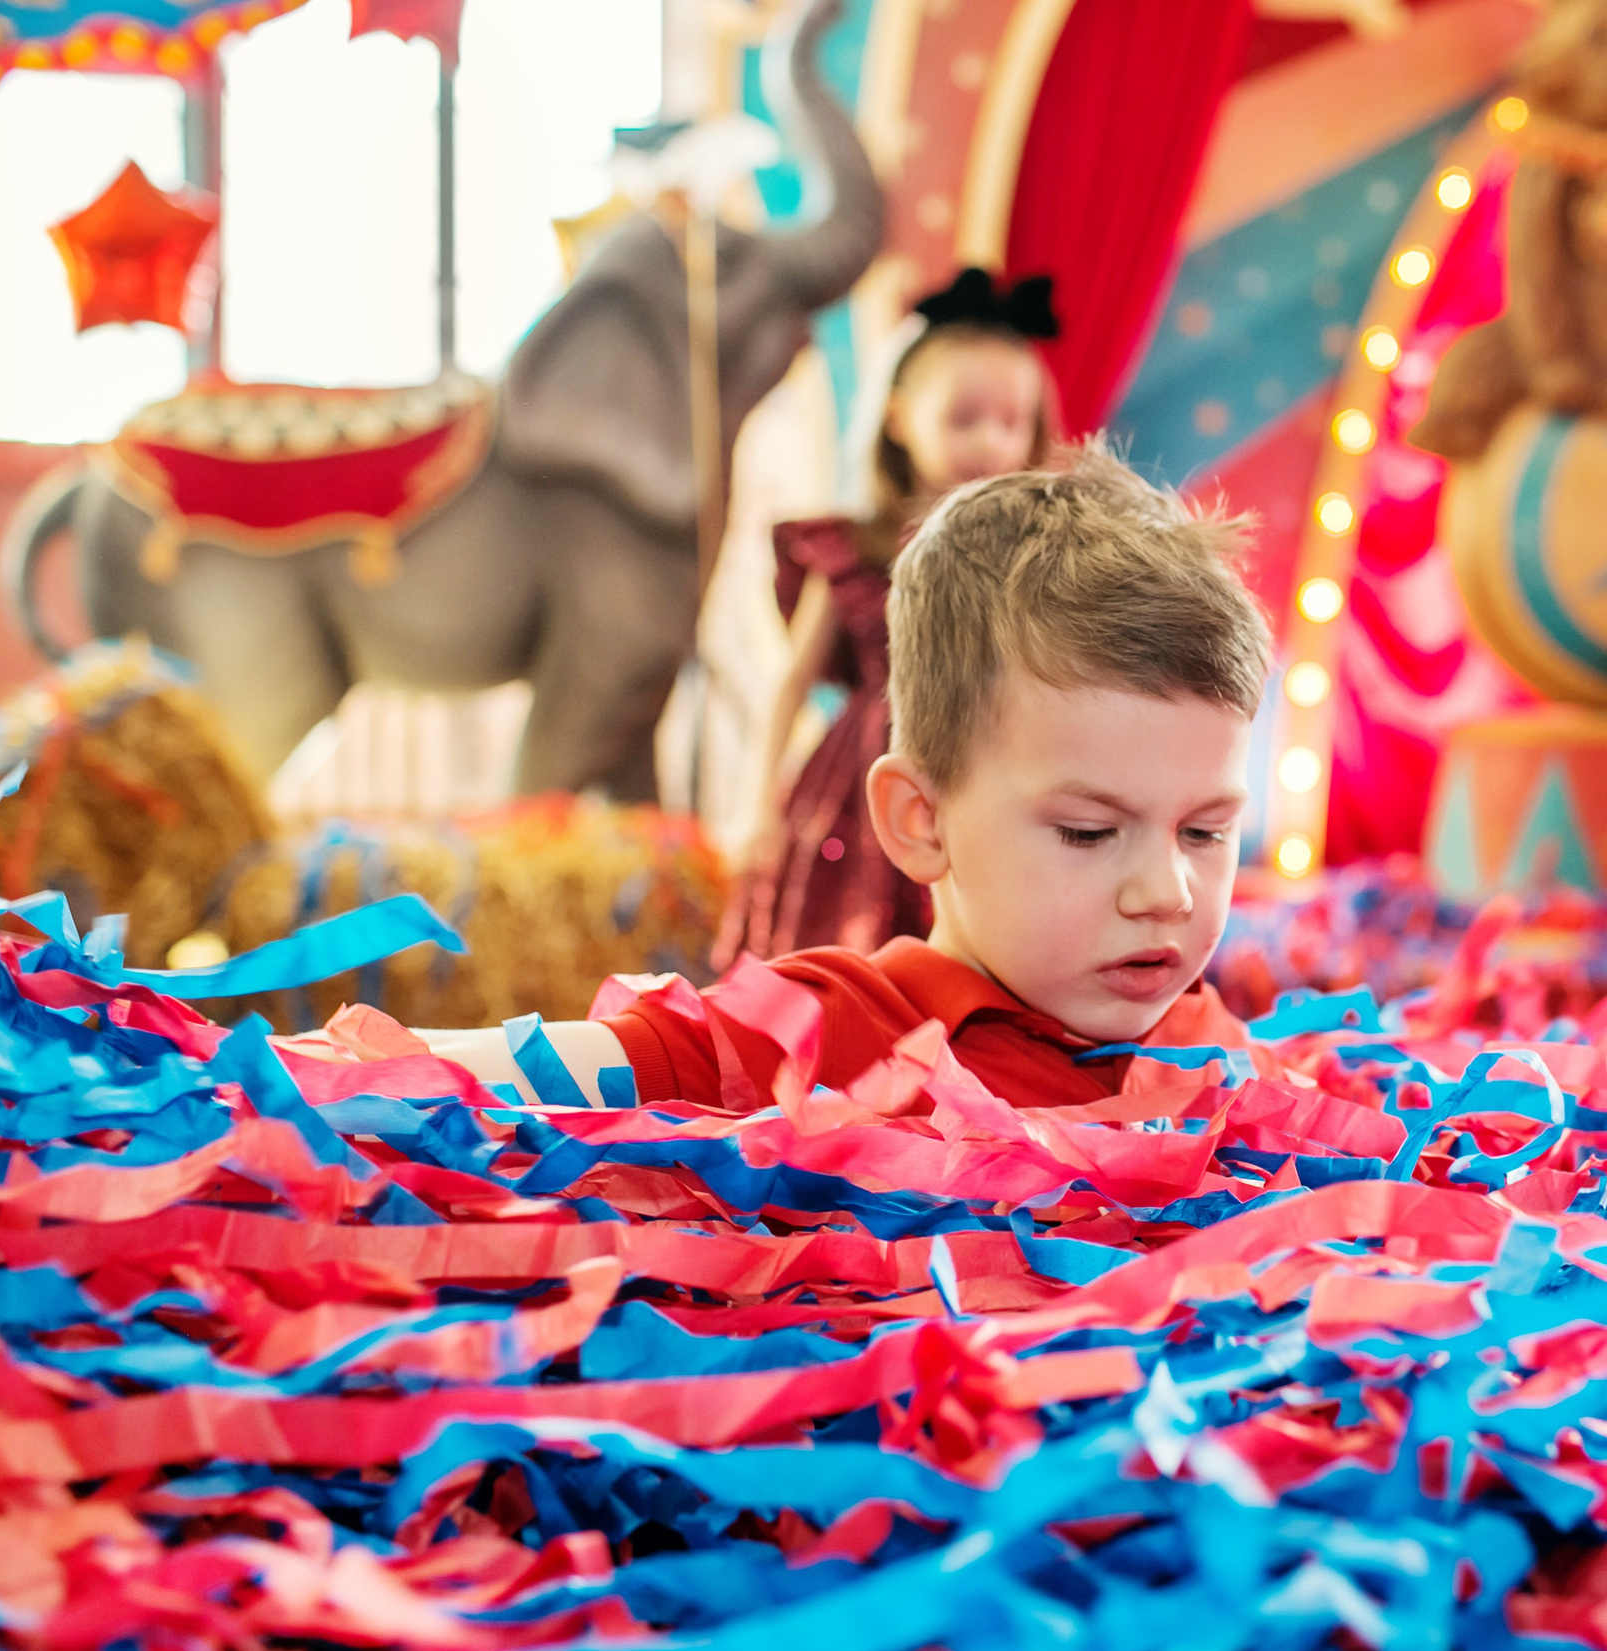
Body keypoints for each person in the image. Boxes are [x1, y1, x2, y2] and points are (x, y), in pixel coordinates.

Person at [383, 442, 1276, 1112]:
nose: (1167, 890)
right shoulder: (832, 1033)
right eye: (1089, 831)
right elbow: (504, 1071)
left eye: (1206, 831)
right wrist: (283, 1073)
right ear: (919, 820)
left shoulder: (1211, 1045)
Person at [712, 267, 1060, 965]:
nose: (990, 442)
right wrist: (754, 807)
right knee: (843, 937)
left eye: (1011, 422)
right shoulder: (858, 549)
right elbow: (791, 680)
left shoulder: (1036, 555)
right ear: (899, 417)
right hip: (863, 780)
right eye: (964, 419)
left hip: (989, 767)